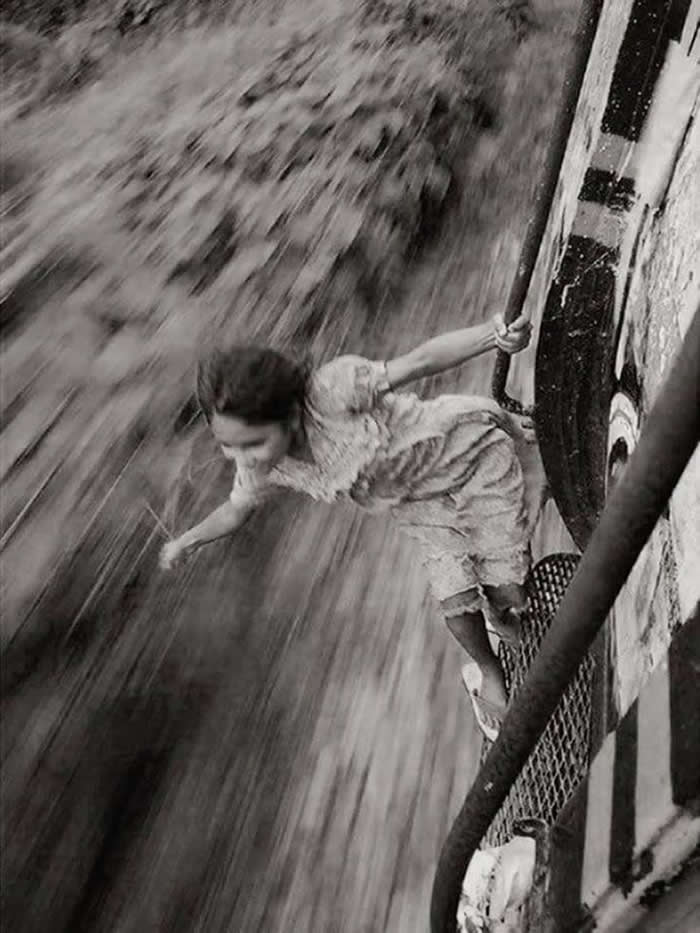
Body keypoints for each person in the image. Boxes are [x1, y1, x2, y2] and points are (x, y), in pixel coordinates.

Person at [160, 313, 546, 739]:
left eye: (252, 443)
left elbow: (420, 361)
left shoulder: (331, 393)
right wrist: (190, 539)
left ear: (290, 415)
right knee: (453, 595)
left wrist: (493, 336)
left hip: (464, 455)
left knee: (508, 586)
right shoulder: (264, 468)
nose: (242, 458)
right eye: (227, 446)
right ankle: (487, 670)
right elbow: (235, 510)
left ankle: (503, 603)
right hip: (422, 504)